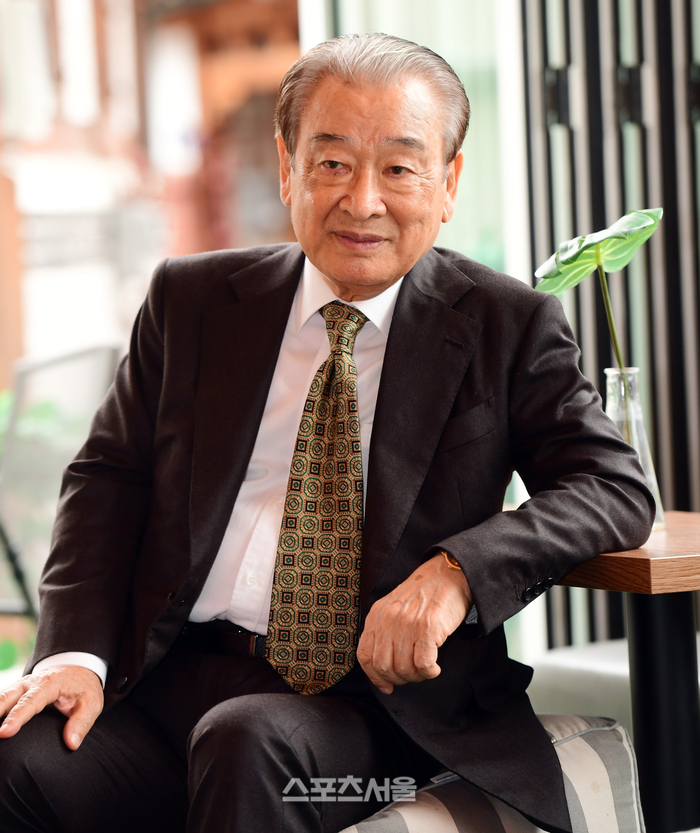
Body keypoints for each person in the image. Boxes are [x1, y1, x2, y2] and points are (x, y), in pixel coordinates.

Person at [0, 33, 653, 833]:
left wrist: (457, 571)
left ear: (448, 182)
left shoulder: (505, 324)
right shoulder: (193, 300)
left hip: (372, 713)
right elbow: (109, 477)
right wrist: (74, 656)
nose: (362, 200)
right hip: (169, 680)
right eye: (334, 162)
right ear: (288, 168)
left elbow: (613, 487)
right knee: (16, 750)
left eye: (399, 168)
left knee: (247, 742)